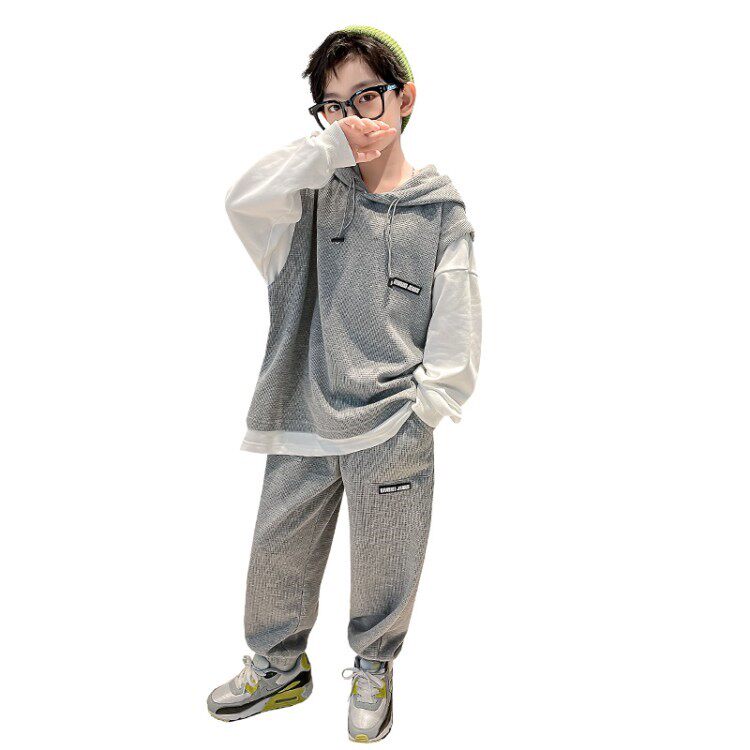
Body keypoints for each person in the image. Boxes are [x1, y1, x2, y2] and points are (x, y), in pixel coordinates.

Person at [207, 25, 481, 742]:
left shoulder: (440, 213)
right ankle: (277, 667)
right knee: (278, 551)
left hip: (393, 423)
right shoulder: (304, 200)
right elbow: (241, 199)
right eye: (333, 105)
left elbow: (458, 322)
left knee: (389, 554)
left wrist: (428, 408)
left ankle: (373, 666)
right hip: (301, 412)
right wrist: (326, 151)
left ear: (404, 99)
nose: (352, 117)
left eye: (366, 96)